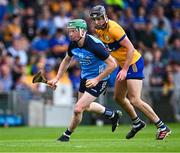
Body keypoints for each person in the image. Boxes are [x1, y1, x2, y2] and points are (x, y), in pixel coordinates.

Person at [90, 5, 171, 140]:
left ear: (105, 17)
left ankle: (162, 127)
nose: (97, 22)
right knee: (118, 97)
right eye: (95, 19)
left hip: (133, 63)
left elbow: (131, 49)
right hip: (123, 64)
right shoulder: (99, 30)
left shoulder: (114, 28)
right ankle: (137, 122)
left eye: (99, 18)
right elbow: (112, 52)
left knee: (135, 99)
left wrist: (125, 69)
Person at [48, 19, 122, 142]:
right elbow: (67, 60)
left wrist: (96, 79)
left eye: (73, 31)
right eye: (69, 31)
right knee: (85, 107)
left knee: (78, 108)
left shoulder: (94, 46)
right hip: (85, 77)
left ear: (82, 31)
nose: (70, 34)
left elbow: (113, 65)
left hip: (100, 79)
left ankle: (66, 135)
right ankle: (113, 115)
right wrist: (57, 78)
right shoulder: (73, 43)